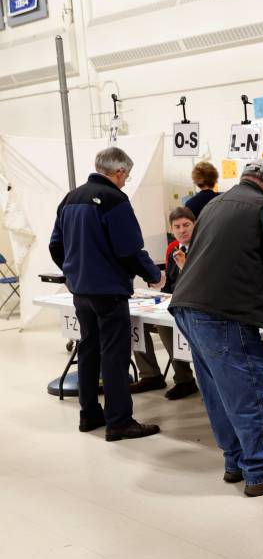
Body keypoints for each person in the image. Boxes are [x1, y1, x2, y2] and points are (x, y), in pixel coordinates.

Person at [170, 159, 263, 497]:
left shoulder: (215, 203)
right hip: (225, 311)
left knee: (219, 391)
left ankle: (235, 462)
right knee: (249, 391)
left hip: (188, 306)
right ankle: (260, 472)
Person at [48, 147, 162, 441]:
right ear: (119, 171)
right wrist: (153, 275)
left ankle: (89, 414)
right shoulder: (114, 199)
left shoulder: (70, 198)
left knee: (88, 350)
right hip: (109, 291)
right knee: (114, 355)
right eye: (127, 175)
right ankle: (119, 421)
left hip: (81, 291)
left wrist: (74, 271)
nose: (126, 181)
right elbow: (129, 249)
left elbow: (55, 245)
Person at [131, 207, 199, 400]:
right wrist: (158, 289)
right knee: (136, 320)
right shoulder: (172, 249)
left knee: (164, 326)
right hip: (174, 300)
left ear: (195, 225)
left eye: (186, 225)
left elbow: (203, 283)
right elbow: (169, 284)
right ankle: (150, 374)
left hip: (195, 304)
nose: (182, 230)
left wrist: (185, 266)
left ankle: (184, 379)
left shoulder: (202, 247)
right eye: (177, 226)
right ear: (171, 230)